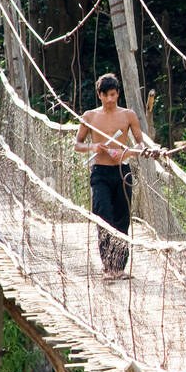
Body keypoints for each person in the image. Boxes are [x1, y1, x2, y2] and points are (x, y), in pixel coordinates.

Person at [74, 73, 155, 279]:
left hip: (122, 172)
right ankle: (107, 266)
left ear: (118, 93)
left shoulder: (128, 115)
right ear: (99, 95)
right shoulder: (90, 116)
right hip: (100, 172)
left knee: (122, 219)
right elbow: (77, 144)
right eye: (105, 95)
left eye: (113, 94)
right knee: (104, 217)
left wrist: (127, 152)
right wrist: (94, 146)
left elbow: (140, 143)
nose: (110, 99)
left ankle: (118, 268)